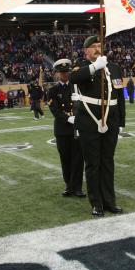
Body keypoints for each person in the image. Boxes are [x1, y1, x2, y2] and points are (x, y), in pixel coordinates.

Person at [70, 35, 126, 217]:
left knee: (108, 162)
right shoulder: (82, 65)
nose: (97, 49)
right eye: (93, 46)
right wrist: (95, 67)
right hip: (89, 121)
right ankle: (97, 203)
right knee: (93, 164)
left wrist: (122, 122)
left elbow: (119, 97)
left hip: (111, 120)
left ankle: (110, 201)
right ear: (86, 50)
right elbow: (74, 78)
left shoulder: (114, 68)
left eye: (99, 45)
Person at [49, 59, 85, 198]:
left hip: (77, 128)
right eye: (61, 72)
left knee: (78, 159)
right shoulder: (53, 90)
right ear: (57, 74)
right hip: (62, 130)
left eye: (66, 72)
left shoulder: (76, 87)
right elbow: (54, 109)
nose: (64, 75)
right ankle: (69, 186)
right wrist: (67, 118)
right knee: (65, 159)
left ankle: (78, 188)